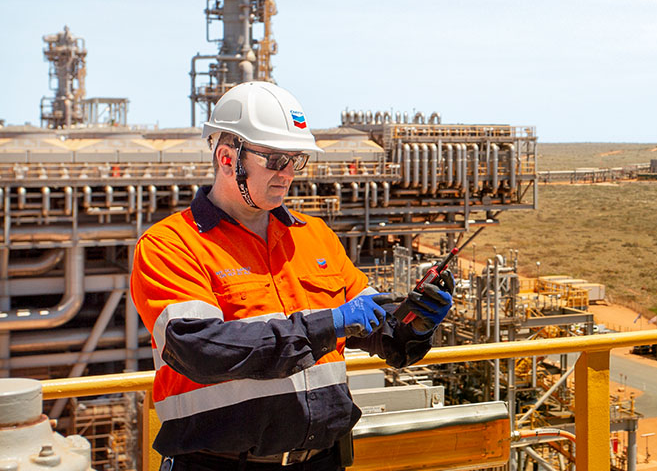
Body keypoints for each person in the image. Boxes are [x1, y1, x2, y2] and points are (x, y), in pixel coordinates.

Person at [131, 81, 453, 471]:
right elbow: (200, 350)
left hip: (322, 461)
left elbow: (379, 331)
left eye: (295, 161)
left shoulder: (314, 237)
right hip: (217, 463)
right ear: (227, 157)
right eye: (274, 160)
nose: (287, 174)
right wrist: (328, 323)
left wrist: (414, 320)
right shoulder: (171, 244)